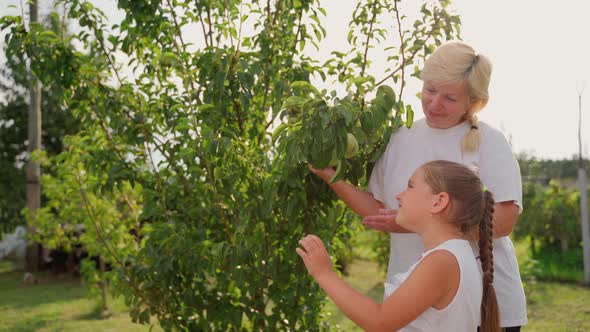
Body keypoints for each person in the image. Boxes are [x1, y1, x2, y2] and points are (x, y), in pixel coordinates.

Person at [309, 41, 527, 330]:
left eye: (449, 97)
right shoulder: (402, 137)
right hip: (414, 303)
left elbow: (506, 219)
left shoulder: (489, 141)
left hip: (485, 304)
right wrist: (331, 176)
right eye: (430, 90)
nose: (435, 103)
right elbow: (380, 210)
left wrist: (420, 224)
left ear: (473, 102)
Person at [298, 161, 499, 332]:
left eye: (410, 186)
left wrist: (324, 274)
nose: (399, 196)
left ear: (438, 202)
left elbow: (379, 321)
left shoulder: (443, 261)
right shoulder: (454, 254)